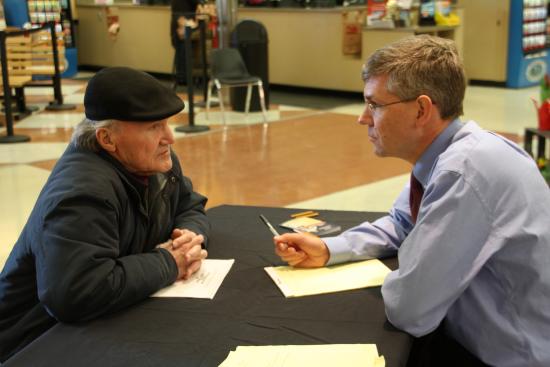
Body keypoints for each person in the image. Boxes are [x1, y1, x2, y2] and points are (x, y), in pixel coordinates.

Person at [274, 35, 550, 367]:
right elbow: (401, 222)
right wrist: (332, 248)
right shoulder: (453, 153)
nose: (363, 118)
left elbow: (411, 309)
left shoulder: (465, 171)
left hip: (509, 356)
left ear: (421, 109)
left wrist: (406, 274)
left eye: (374, 104)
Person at [0, 67, 210, 362]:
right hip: (37, 341)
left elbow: (190, 205)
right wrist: (169, 262)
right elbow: (75, 293)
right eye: (154, 127)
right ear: (107, 139)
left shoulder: (155, 162)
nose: (169, 138)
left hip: (104, 320)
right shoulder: (81, 193)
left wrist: (187, 235)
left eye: (166, 123)